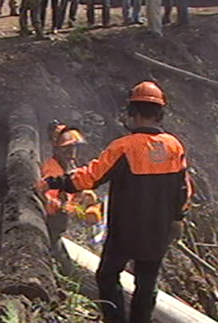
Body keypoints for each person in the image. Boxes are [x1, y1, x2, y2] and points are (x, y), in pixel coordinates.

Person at [39, 81, 193, 323]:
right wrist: (178, 218)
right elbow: (184, 189)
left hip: (125, 230)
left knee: (108, 276)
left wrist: (54, 182)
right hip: (158, 230)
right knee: (147, 281)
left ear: (133, 112)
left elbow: (90, 177)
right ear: (159, 113)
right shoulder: (174, 146)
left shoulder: (124, 147)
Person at [40, 122, 87, 275]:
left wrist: (81, 200)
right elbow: (44, 198)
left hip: (58, 227)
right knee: (62, 265)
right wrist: (62, 206)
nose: (72, 152)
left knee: (65, 264)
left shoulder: (70, 166)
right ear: (56, 148)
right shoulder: (52, 170)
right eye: (67, 148)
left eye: (74, 148)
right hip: (48, 225)